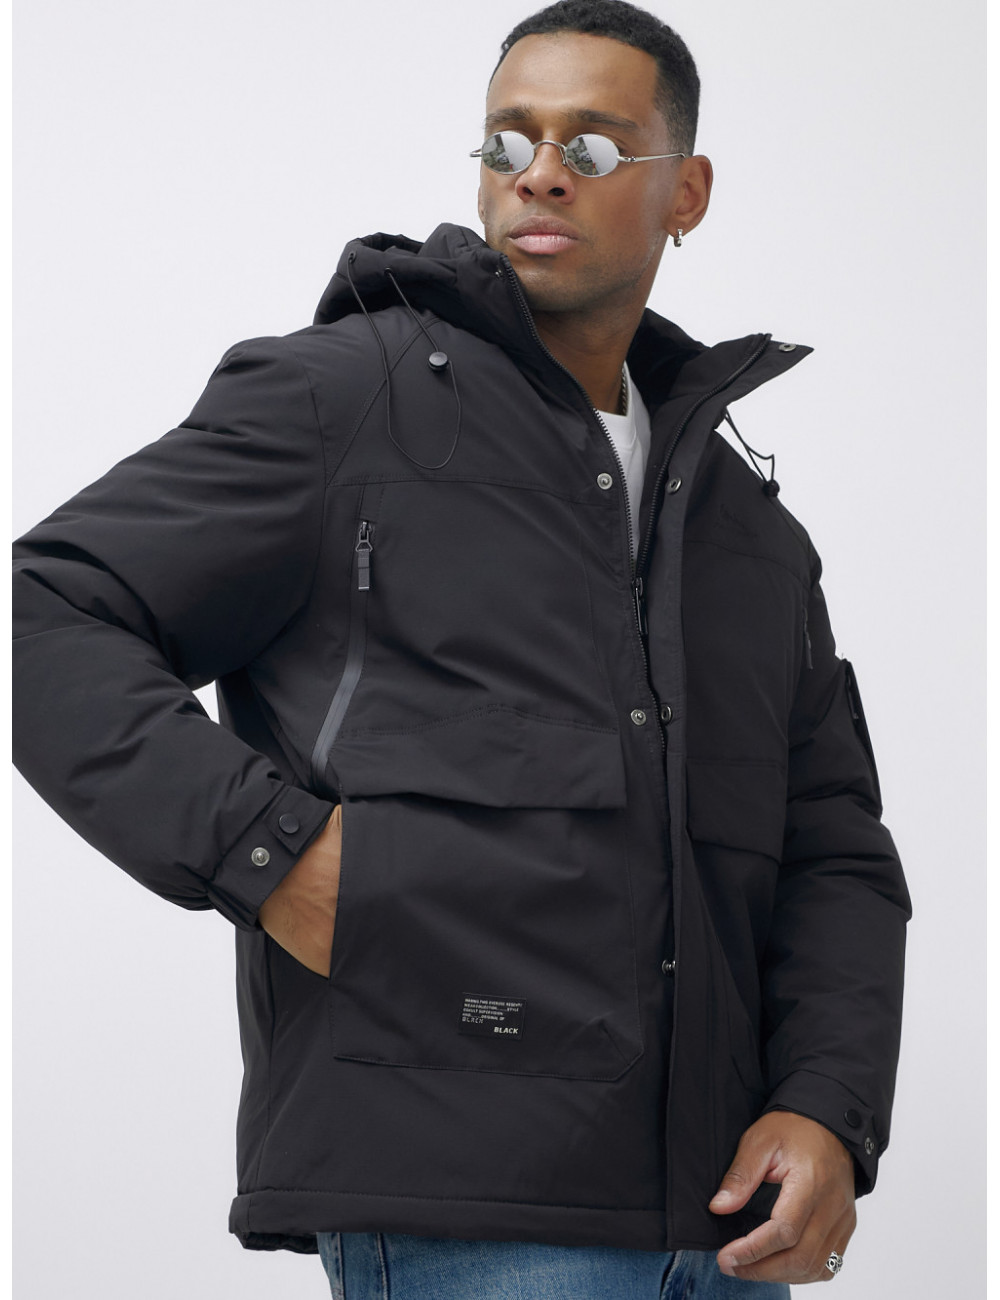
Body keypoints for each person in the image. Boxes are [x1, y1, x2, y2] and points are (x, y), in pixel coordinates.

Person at [12, 1, 910, 1295]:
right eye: (507, 140)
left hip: (727, 1226)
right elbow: (49, 609)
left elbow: (830, 840)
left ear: (687, 192)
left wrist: (828, 1105)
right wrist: (270, 850)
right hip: (460, 1203)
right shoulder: (343, 402)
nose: (539, 172)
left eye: (591, 145)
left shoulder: (745, 525)